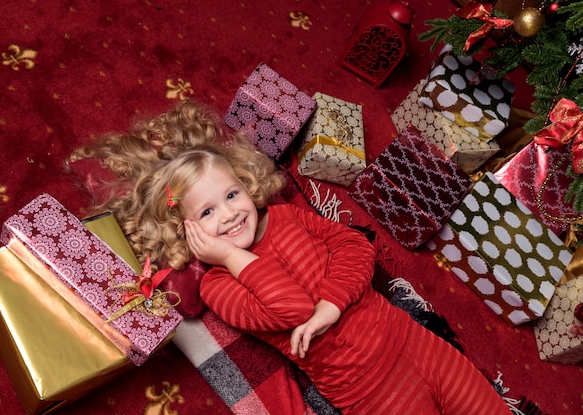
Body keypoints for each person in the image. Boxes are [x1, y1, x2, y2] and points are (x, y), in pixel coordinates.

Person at [70, 101, 511, 415]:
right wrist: (227, 256)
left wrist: (332, 304)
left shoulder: (284, 217)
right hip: (369, 389)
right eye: (207, 212)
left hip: (415, 342)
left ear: (246, 184)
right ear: (185, 229)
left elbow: (355, 247)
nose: (228, 214)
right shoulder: (218, 285)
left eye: (231, 194)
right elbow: (291, 309)